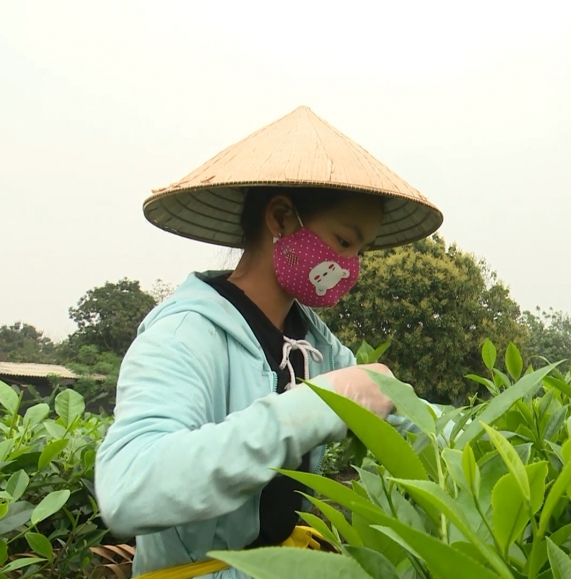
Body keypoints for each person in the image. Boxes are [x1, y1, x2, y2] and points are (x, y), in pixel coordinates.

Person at [95, 106, 445, 578]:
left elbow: (420, 428)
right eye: (343, 241)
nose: (350, 267)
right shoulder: (185, 335)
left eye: (359, 252)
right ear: (281, 217)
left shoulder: (317, 348)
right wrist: (318, 405)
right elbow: (129, 486)